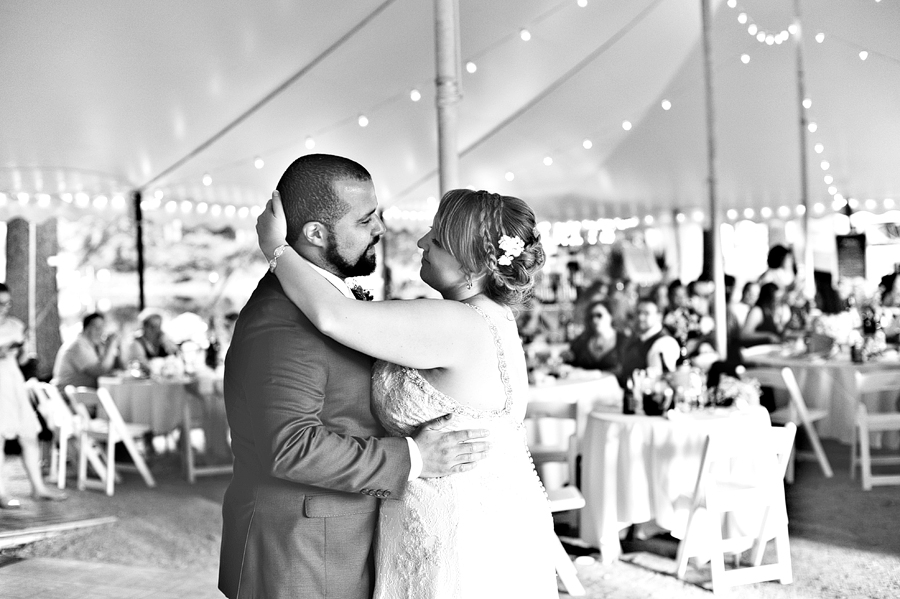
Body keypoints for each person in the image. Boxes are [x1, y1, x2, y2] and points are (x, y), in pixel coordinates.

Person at [255, 175, 557, 596]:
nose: (421, 242)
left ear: (472, 264)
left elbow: (333, 316)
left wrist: (276, 249)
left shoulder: (456, 322)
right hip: (474, 514)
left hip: (449, 526)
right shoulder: (489, 316)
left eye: (437, 238)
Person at [219, 154, 499, 599]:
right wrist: (414, 458)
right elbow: (290, 446)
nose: (380, 229)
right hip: (299, 553)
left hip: (339, 539)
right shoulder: (283, 321)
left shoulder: (331, 303)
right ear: (315, 234)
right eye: (366, 219)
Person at [0, 283, 66, 508]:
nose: (4, 307)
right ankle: (1, 493)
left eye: (6, 303)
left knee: (29, 435)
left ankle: (38, 488)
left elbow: (20, 362)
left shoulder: (15, 325)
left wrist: (21, 348)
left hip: (14, 384)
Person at [617, 297, 680, 389]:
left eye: (646, 313)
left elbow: (660, 382)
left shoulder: (664, 343)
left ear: (659, 316)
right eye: (638, 312)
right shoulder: (636, 338)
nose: (640, 317)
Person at [50, 312, 119, 394]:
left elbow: (116, 367)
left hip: (79, 396)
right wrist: (111, 345)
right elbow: (101, 371)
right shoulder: (78, 346)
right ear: (86, 328)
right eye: (96, 328)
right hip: (67, 399)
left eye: (102, 328)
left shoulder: (90, 346)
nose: (101, 332)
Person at [566, 300, 620, 372]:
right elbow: (571, 364)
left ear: (610, 316)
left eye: (599, 315)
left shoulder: (624, 342)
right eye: (591, 317)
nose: (594, 320)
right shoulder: (581, 342)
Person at [741, 282, 790, 346]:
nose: (777, 302)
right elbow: (744, 335)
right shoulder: (757, 311)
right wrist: (768, 336)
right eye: (775, 299)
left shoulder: (772, 312)